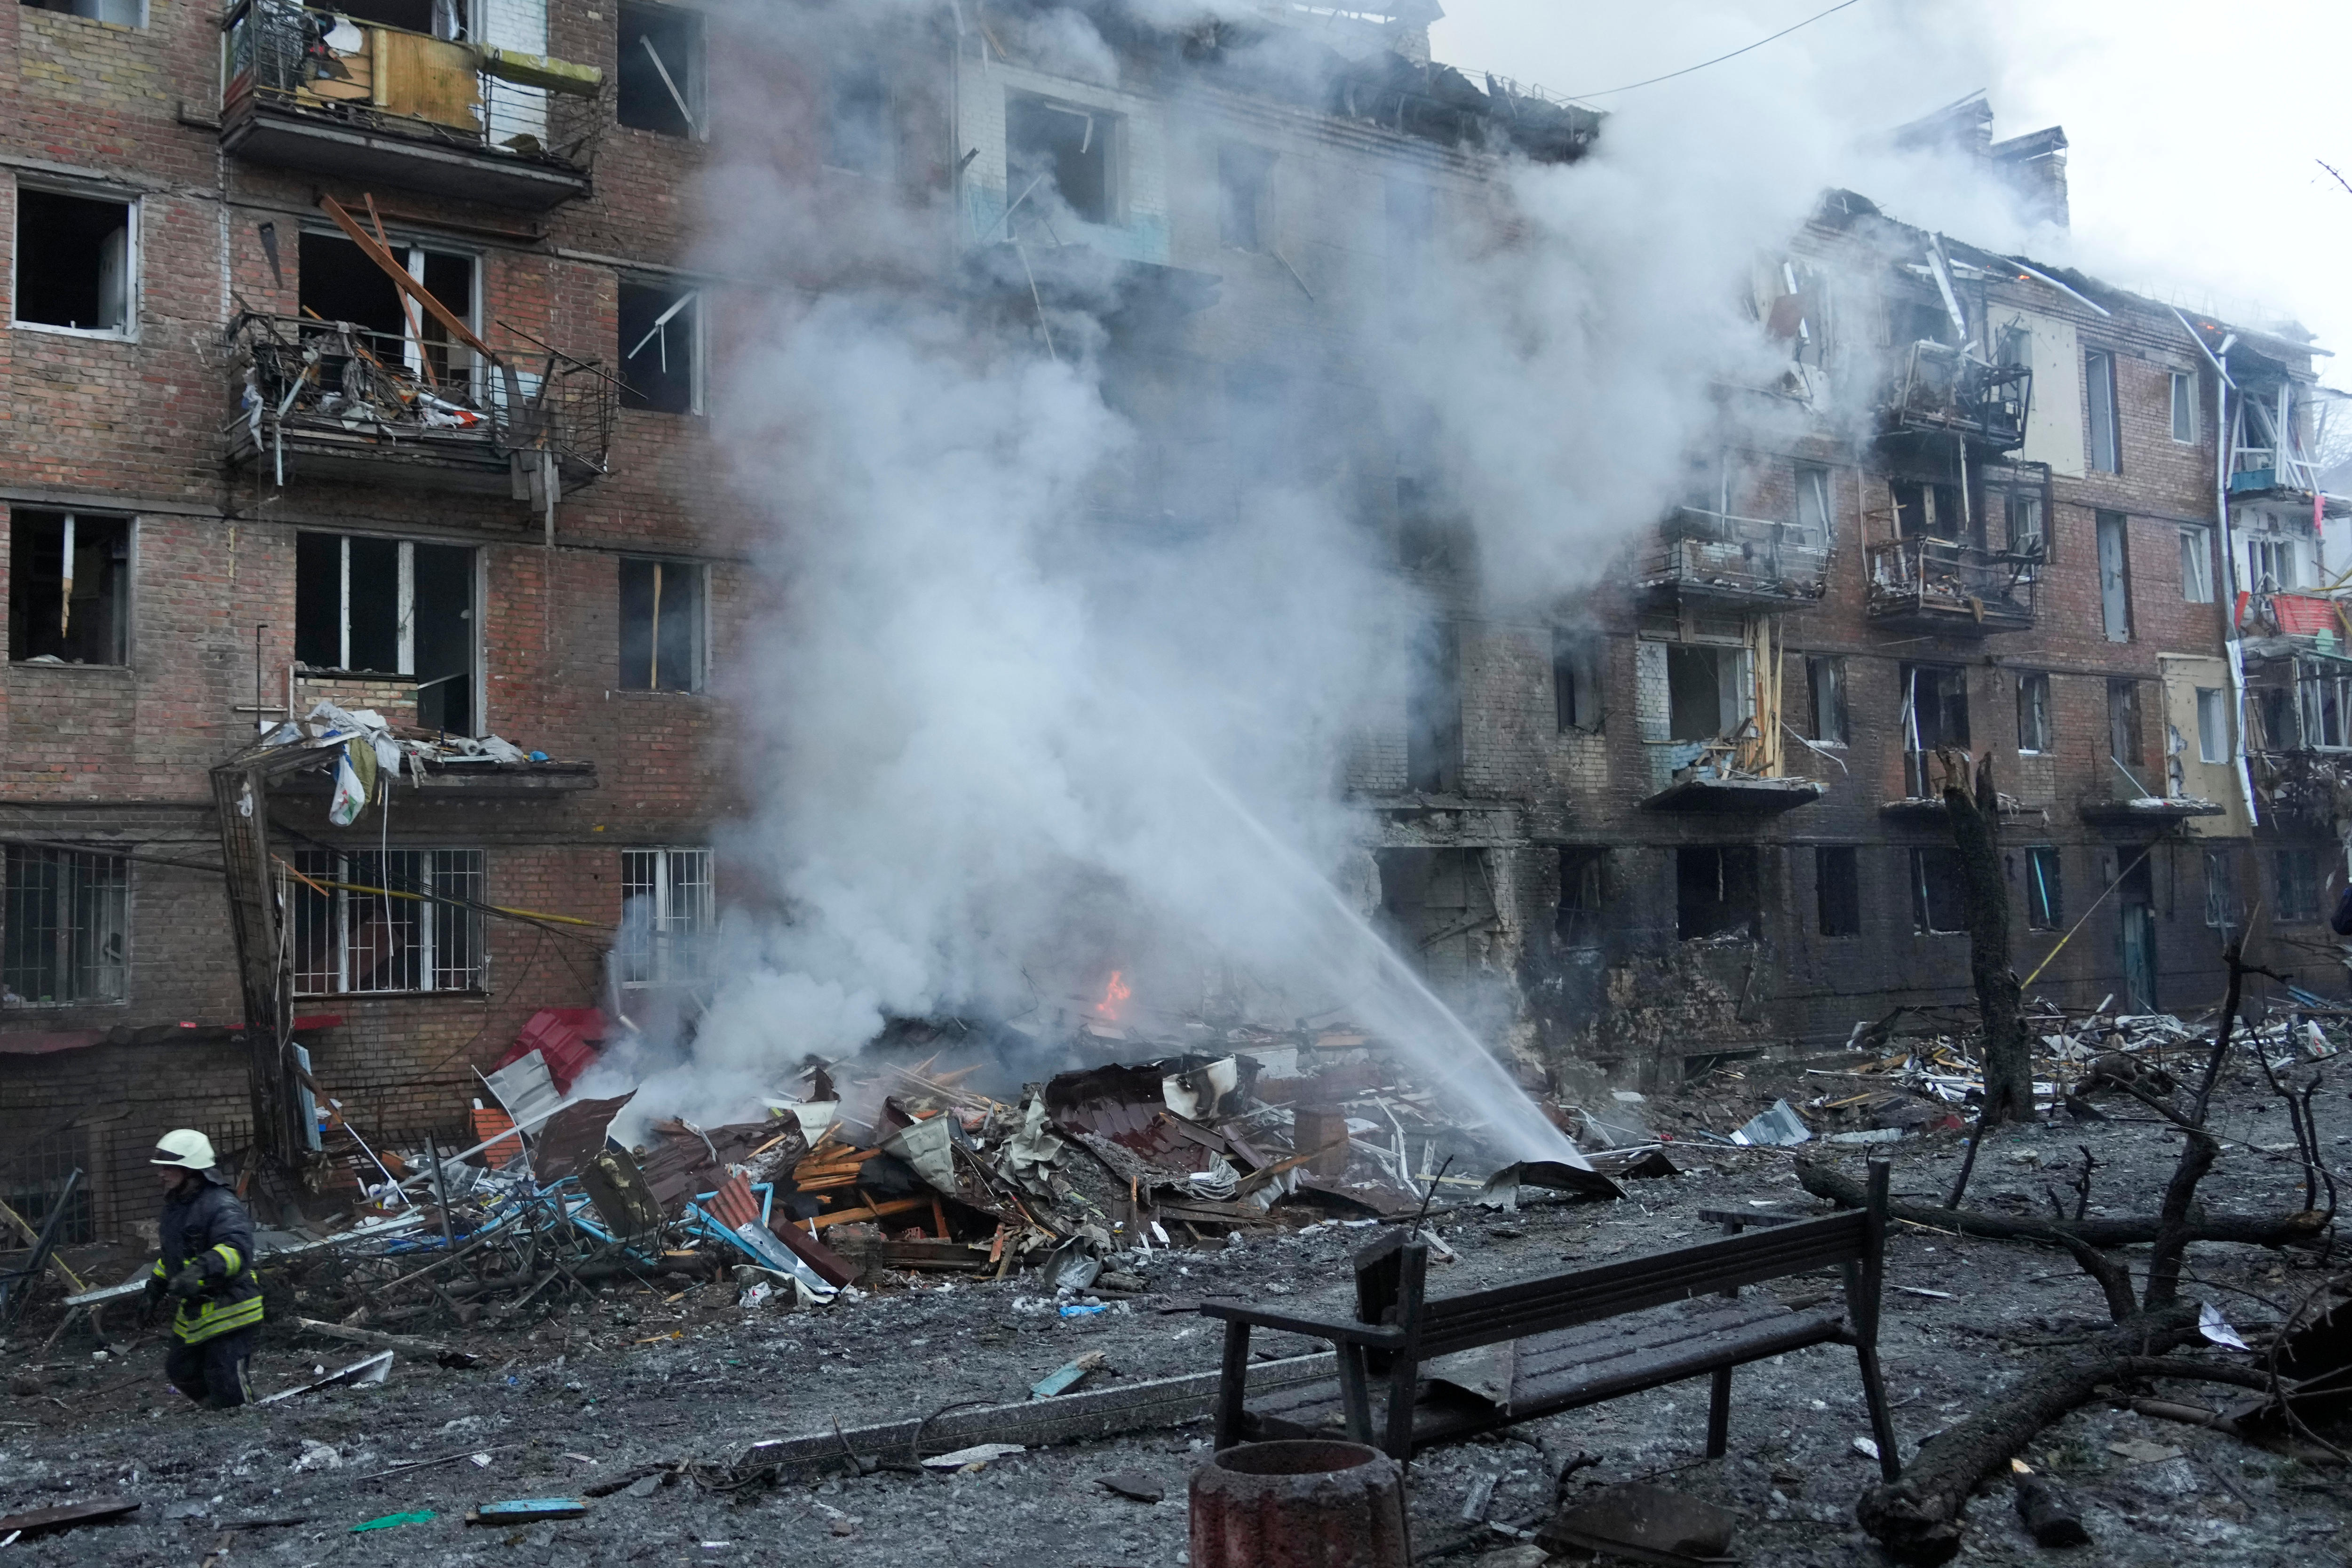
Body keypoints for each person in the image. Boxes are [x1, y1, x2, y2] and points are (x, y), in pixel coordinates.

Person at [145, 1130, 262, 1409]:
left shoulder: (220, 1205)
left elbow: (237, 1249)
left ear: (190, 1169)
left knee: (226, 1376)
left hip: (232, 1307)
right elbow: (174, 1254)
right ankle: (219, 1415)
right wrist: (156, 1286)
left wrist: (200, 1270)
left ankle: (246, 1424)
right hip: (199, 1309)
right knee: (180, 1370)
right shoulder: (178, 1204)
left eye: (168, 1167)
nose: (161, 1174)